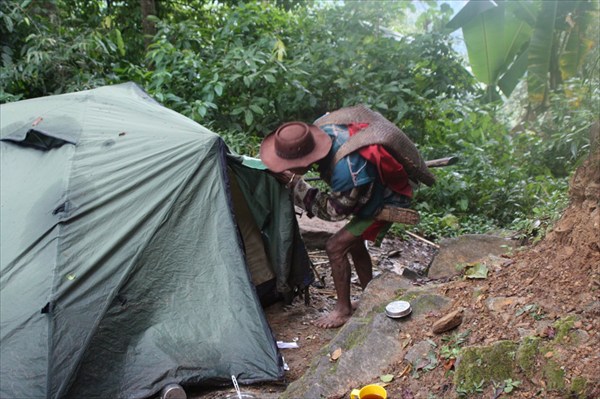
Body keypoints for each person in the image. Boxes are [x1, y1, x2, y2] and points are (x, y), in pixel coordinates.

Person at [259, 113, 417, 328]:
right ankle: (370, 295)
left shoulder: (347, 168)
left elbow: (336, 211)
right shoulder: (321, 133)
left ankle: (342, 309)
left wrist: (297, 184)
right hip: (367, 190)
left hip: (387, 199)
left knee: (335, 247)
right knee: (354, 244)